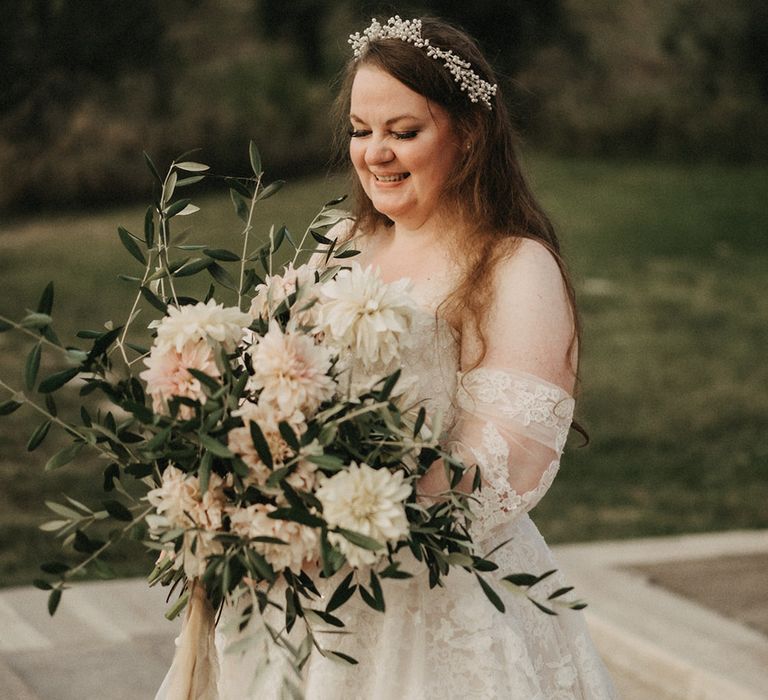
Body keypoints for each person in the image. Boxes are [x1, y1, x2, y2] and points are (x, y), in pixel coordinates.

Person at [168, 15, 617, 699]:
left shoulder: (511, 266)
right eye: (361, 130)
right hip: (301, 597)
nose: (375, 152)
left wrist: (340, 515)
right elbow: (280, 378)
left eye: (404, 132)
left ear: (468, 133)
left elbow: (507, 456)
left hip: (434, 597)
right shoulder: (341, 240)